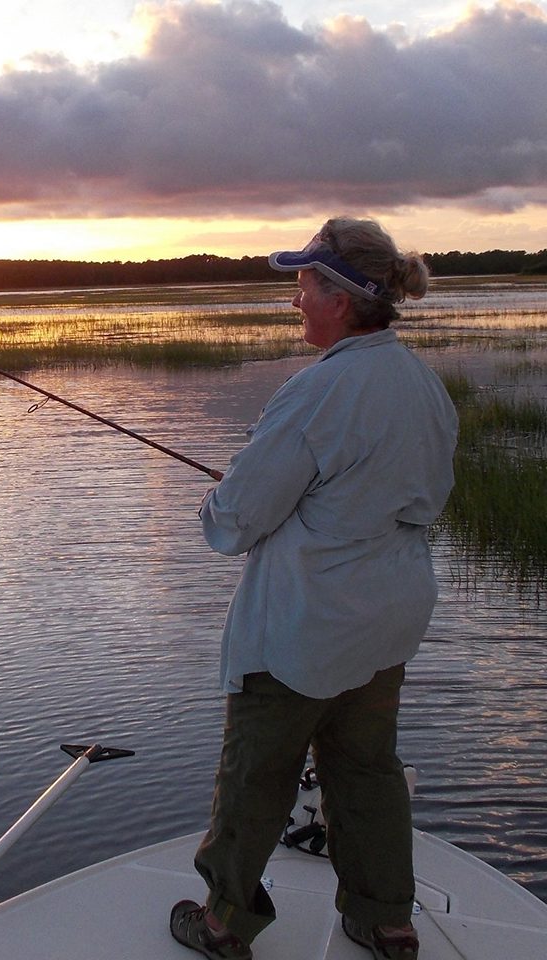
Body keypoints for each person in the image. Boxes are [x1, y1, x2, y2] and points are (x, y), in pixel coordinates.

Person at [168, 218, 459, 960]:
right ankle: (386, 921)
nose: (294, 297)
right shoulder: (424, 386)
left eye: (303, 283)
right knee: (367, 767)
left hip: (304, 627)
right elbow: (421, 498)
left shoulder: (317, 393)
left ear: (341, 298)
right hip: (388, 618)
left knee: (255, 776)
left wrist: (222, 496)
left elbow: (232, 523)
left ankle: (225, 924)